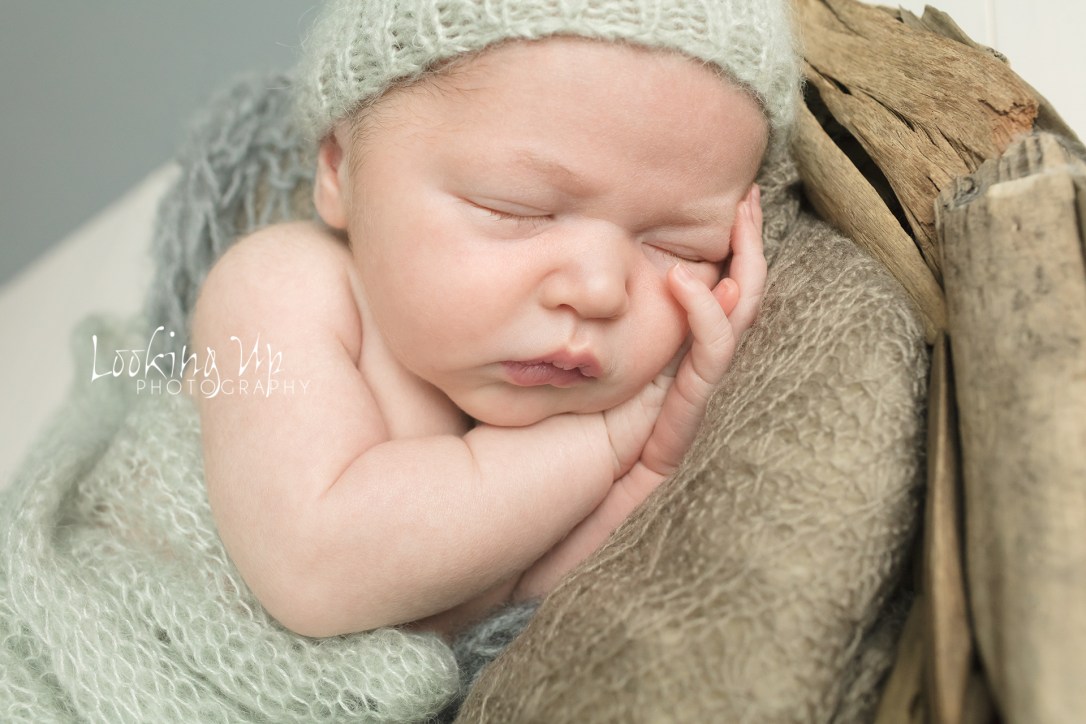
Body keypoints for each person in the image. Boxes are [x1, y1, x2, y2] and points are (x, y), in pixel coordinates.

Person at [187, 0, 800, 639]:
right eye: (516, 208)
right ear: (341, 171)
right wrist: (610, 441)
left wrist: (658, 455)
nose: (598, 291)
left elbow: (513, 596)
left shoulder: (559, 406)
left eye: (680, 247)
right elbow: (314, 569)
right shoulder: (277, 286)